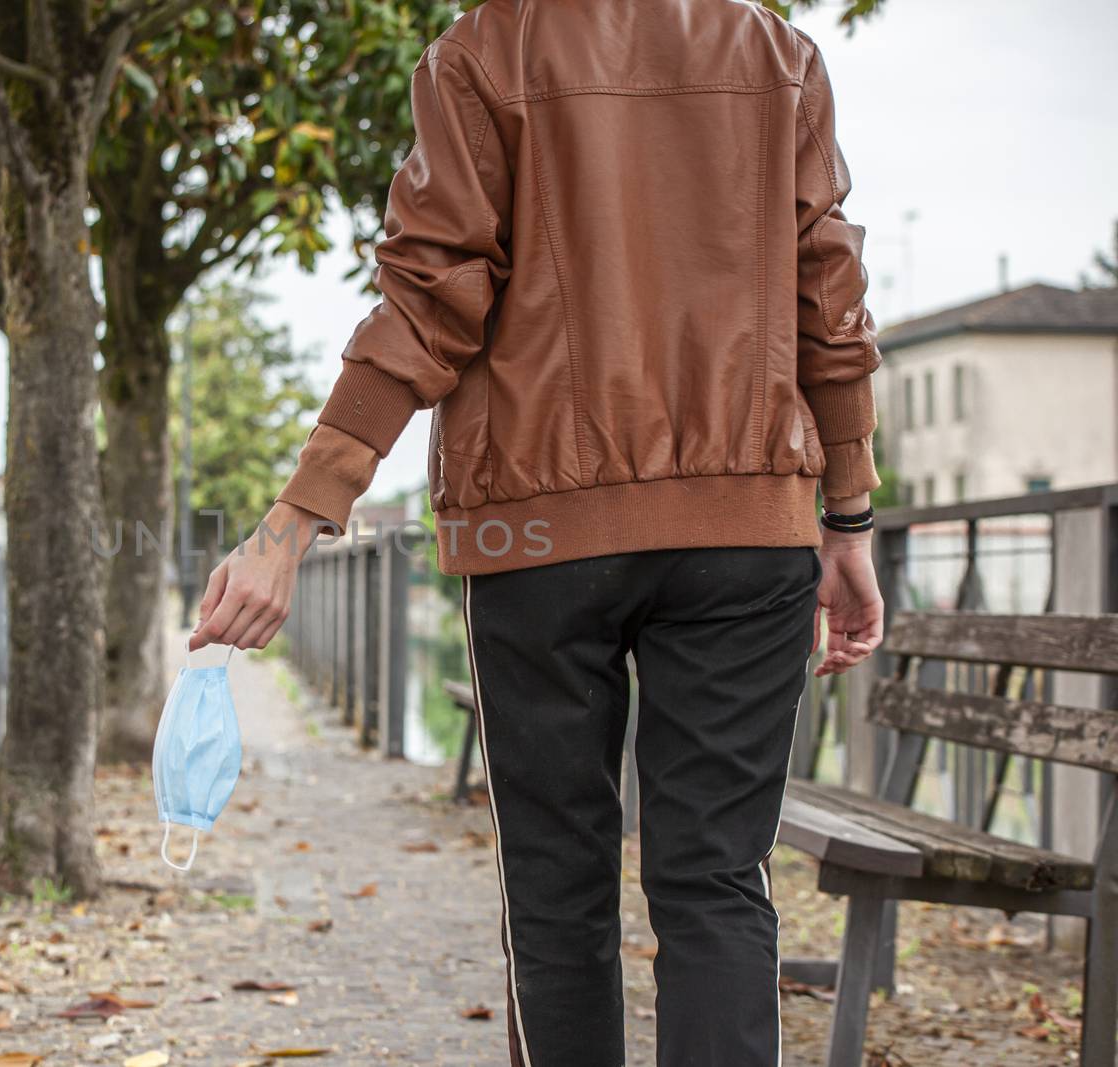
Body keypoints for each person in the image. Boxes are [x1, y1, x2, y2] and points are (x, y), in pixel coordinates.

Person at [189, 0, 885, 1063]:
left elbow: (428, 302)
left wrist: (297, 515)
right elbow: (826, 296)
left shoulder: (482, 50)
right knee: (714, 882)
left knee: (556, 885)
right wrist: (848, 510)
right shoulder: (775, 53)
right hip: (749, 524)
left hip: (538, 532)